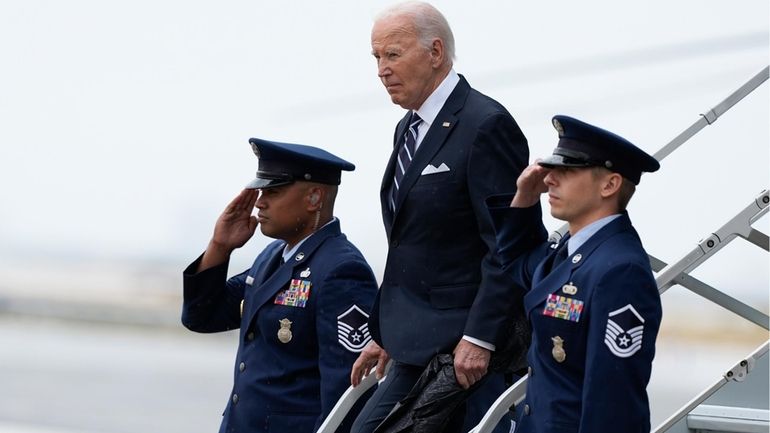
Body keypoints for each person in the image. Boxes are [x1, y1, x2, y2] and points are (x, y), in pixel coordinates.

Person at [350, 2, 530, 432]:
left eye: (392, 55)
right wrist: (386, 333)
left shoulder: (486, 124)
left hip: (465, 353)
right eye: (376, 58)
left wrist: (480, 339)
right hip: (416, 344)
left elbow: (509, 244)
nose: (381, 70)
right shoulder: (409, 128)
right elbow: (415, 246)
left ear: (435, 52)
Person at [182, 138, 378, 433]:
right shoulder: (273, 257)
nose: (260, 202)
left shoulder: (341, 269)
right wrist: (219, 247)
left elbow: (348, 392)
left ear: (314, 198)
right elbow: (202, 317)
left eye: (273, 191)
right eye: (261, 191)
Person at [486, 115, 663, 432]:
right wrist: (525, 197)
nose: (550, 179)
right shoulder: (572, 251)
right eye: (551, 169)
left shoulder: (620, 270)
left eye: (566, 171)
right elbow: (516, 264)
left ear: (610, 184)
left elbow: (614, 400)